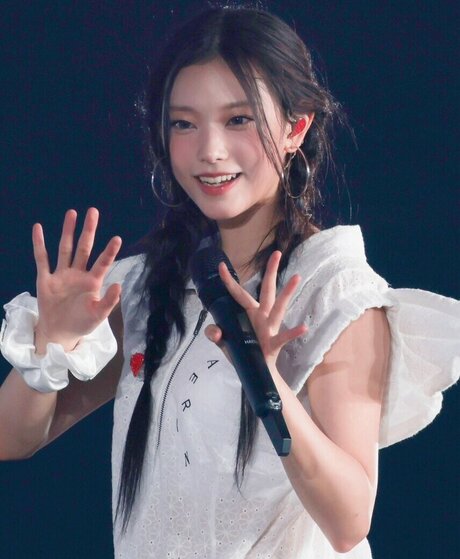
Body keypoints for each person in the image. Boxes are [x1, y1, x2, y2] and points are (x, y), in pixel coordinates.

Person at [0, 6, 458, 558]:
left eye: (238, 120)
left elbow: (349, 521)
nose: (209, 151)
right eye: (184, 123)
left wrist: (265, 377)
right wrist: (52, 344)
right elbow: (11, 438)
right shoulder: (152, 285)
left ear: (295, 127)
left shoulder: (335, 290)